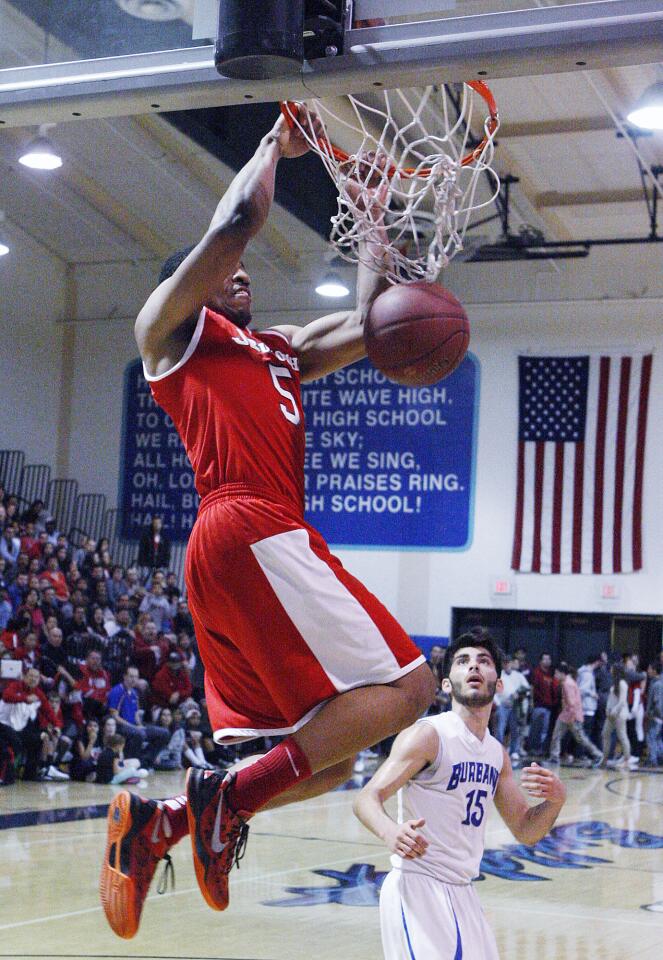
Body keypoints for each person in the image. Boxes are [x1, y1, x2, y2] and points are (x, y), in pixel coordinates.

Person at [100, 109, 434, 939]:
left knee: (328, 763)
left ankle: (166, 823)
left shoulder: (278, 347)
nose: (239, 277)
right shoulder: (169, 335)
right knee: (411, 688)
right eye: (222, 274)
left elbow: (375, 328)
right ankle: (222, 803)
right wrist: (269, 148)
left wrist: (368, 220)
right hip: (249, 524)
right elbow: (239, 221)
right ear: (190, 287)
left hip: (239, 544)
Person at [353, 628, 566, 960]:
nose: (474, 667)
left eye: (483, 661)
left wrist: (555, 802)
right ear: (447, 683)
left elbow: (526, 830)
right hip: (418, 886)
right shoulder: (428, 736)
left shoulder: (496, 753)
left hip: (464, 892)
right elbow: (366, 797)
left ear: (499, 683)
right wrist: (390, 831)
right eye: (463, 661)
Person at [548, 663, 603, 767]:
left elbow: (572, 703)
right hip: (566, 715)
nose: (555, 675)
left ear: (562, 673)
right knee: (556, 735)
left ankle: (598, 755)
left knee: (580, 738)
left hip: (571, 716)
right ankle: (554, 757)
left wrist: (572, 717)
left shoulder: (567, 684)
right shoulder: (568, 682)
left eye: (556, 673)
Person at [493, 654, 529, 761]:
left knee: (515, 729)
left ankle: (514, 751)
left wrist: (519, 694)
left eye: (508, 662)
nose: (506, 664)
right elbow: (494, 692)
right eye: (504, 662)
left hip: (515, 705)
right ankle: (499, 751)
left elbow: (526, 688)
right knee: (500, 729)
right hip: (503, 705)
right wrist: (499, 704)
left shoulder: (518, 675)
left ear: (511, 663)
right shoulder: (499, 676)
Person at [602, 663, 636, 768]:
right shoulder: (614, 683)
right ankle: (605, 758)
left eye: (612, 668)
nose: (610, 669)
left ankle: (627, 759)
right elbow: (611, 699)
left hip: (620, 714)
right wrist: (607, 709)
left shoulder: (622, 683)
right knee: (605, 734)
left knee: (622, 735)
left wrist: (614, 711)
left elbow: (622, 701)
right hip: (611, 714)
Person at [528, 653, 559, 756]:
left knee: (544, 730)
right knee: (535, 729)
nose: (547, 661)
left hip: (548, 707)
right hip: (538, 705)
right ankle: (532, 749)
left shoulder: (551, 674)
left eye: (549, 659)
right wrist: (531, 702)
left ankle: (541, 750)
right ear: (540, 661)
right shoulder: (536, 672)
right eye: (545, 659)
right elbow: (532, 688)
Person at [645, 661, 663, 766]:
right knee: (658, 738)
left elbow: (658, 703)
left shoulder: (657, 685)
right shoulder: (657, 683)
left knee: (651, 737)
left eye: (649, 668)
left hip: (656, 717)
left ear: (654, 671)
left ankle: (653, 760)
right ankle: (659, 758)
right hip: (658, 717)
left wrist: (651, 713)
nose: (648, 671)